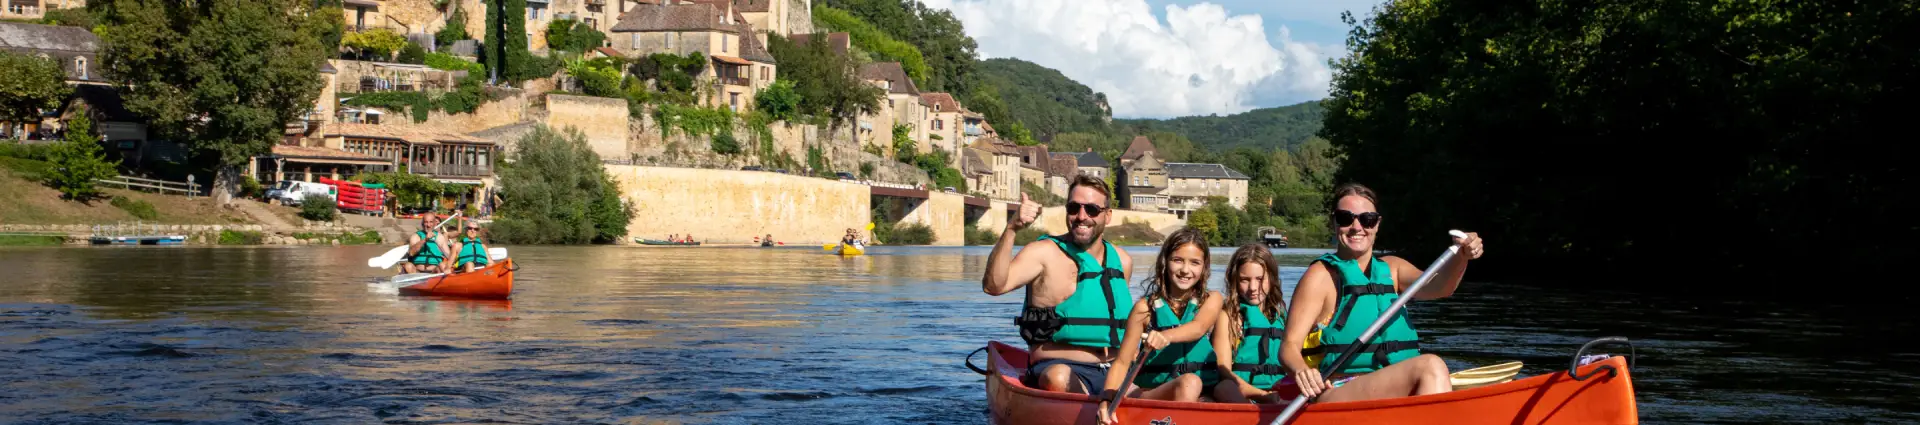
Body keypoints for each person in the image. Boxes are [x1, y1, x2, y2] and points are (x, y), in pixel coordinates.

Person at [1282, 182, 1483, 402]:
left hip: (1394, 384)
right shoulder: (1320, 275)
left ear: (1377, 224)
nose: (1357, 227)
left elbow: (1441, 287)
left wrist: (1461, 257)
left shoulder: (1393, 268)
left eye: (1367, 219)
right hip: (1339, 389)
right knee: (1430, 366)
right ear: (1333, 222)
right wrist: (1302, 371)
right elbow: (1289, 347)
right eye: (1345, 218)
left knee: (1430, 369)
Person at [982, 175, 1134, 396]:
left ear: (1107, 215)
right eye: (1074, 208)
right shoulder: (1043, 252)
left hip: (1115, 372)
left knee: (1177, 388)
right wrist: (1012, 229)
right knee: (1059, 377)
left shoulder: (1123, 261)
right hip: (1056, 370)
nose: (1081, 217)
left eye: (1091, 209)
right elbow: (993, 286)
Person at [1096, 228, 1223, 424]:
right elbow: (1122, 363)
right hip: (1153, 393)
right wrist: (1105, 400)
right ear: (1165, 262)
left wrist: (1166, 336)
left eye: (1194, 263)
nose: (1185, 270)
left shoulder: (1212, 299)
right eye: (1178, 260)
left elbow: (1198, 327)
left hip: (1202, 390)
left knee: (1220, 390)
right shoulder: (1144, 309)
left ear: (1204, 268)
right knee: (1190, 382)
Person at [1211, 244, 1324, 403]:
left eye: (1260, 279)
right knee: (1224, 387)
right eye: (1245, 280)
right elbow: (1224, 372)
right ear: (1234, 280)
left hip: (1282, 394)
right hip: (1245, 395)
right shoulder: (1228, 316)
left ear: (1271, 279)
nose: (1253, 288)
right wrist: (1264, 396)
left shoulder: (1283, 316)